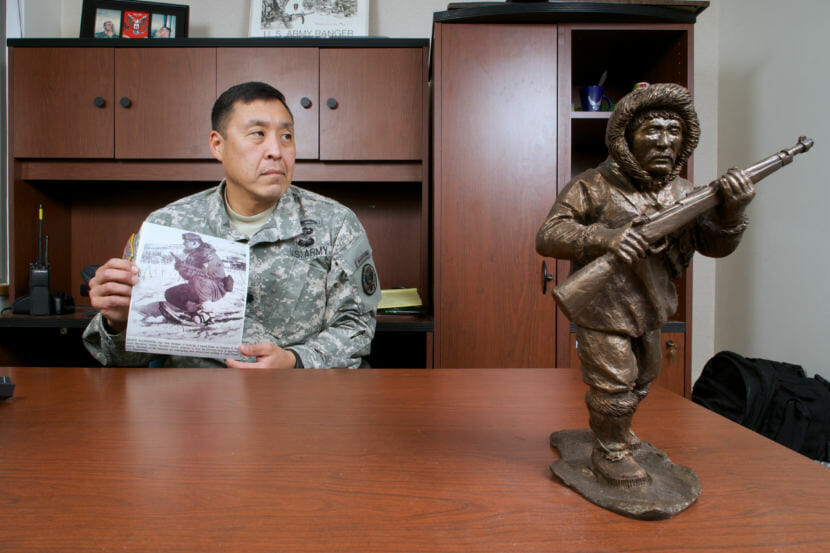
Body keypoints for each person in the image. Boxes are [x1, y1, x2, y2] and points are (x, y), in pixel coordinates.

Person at [536, 83, 755, 487]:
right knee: (614, 384)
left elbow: (713, 245)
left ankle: (615, 431)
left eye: (674, 132)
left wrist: (732, 212)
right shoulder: (593, 185)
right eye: (652, 130)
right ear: (626, 136)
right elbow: (549, 234)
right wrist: (606, 237)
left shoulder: (686, 193)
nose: (664, 141)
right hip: (602, 308)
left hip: (651, 306)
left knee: (643, 377)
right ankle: (611, 452)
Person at [83, 81, 381, 368]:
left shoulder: (335, 224)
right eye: (257, 134)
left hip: (295, 399)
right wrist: (119, 321)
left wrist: (296, 360)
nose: (276, 150)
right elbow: (123, 358)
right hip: (193, 406)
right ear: (218, 145)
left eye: (286, 136)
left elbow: (356, 327)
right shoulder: (167, 226)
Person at [157, 232, 232, 326]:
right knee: (170, 293)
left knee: (198, 280)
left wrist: (184, 268)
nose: (184, 244)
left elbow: (204, 275)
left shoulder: (206, 254)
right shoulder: (193, 255)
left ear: (194, 243)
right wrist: (181, 268)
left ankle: (207, 313)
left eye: (186, 241)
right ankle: (194, 309)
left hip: (215, 288)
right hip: (200, 287)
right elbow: (188, 277)